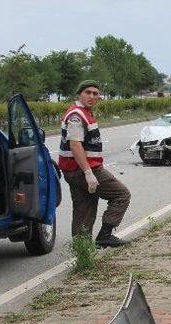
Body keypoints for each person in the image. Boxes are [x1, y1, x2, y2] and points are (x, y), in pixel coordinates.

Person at [59, 80, 130, 247]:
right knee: (121, 195)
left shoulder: (85, 112)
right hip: (82, 170)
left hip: (74, 171)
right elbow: (75, 145)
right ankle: (105, 235)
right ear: (79, 94)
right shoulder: (77, 115)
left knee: (84, 209)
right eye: (88, 92)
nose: (92, 96)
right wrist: (88, 173)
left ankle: (82, 252)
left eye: (95, 93)